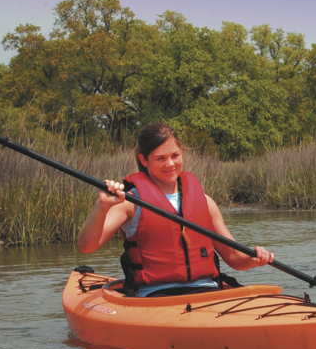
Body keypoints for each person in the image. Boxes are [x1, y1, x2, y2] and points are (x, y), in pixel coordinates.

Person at [76, 123, 274, 297]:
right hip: (155, 294)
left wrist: (254, 259)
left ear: (182, 154)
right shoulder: (131, 202)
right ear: (144, 160)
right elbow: (86, 246)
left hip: (208, 291)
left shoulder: (205, 202)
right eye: (160, 158)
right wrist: (102, 205)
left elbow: (234, 258)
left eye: (175, 155)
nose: (170, 164)